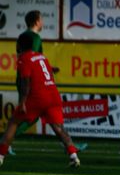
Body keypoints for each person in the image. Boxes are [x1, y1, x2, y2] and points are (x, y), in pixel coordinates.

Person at [0, 34, 80, 167]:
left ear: (20, 46)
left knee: (13, 123)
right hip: (53, 96)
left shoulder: (23, 59)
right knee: (59, 128)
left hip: (38, 97)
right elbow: (44, 71)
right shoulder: (42, 57)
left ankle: (1, 155)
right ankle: (74, 156)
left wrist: (23, 102)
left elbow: (25, 82)